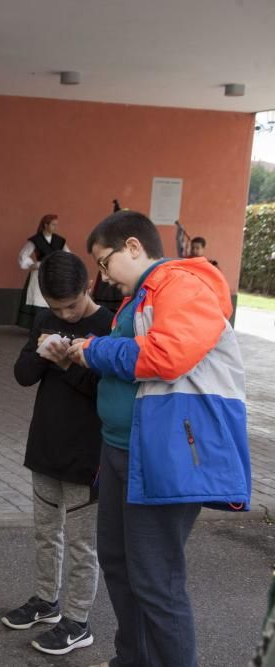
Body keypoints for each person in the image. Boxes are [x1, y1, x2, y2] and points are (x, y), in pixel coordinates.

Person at [67, 210, 251, 667]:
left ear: (133, 247)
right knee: (119, 564)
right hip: (124, 448)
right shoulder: (147, 292)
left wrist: (92, 350)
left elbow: (166, 356)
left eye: (104, 263)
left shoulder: (181, 284)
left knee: (154, 579)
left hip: (159, 453)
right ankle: (132, 659)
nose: (103, 278)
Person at [3, 251, 112, 656]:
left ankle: (78, 620)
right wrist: (40, 353)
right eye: (55, 308)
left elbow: (104, 392)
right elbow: (22, 375)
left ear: (87, 287)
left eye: (70, 306)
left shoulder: (108, 325)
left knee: (83, 544)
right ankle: (45, 601)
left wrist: (69, 364)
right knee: (46, 532)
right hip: (45, 446)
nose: (64, 316)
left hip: (87, 453)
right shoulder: (46, 320)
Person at [16, 214, 70, 329]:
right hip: (39, 273)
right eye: (53, 225)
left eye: (56, 225)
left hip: (54, 273)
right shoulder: (36, 240)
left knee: (52, 297)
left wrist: (62, 265)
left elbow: (68, 255)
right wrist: (32, 264)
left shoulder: (60, 241)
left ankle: (51, 326)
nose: (56, 227)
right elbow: (23, 255)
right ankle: (36, 327)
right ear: (46, 225)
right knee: (38, 298)